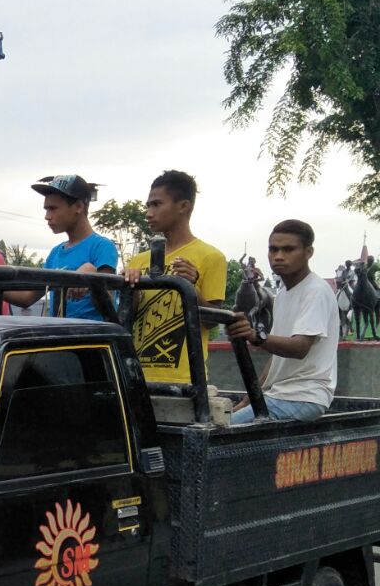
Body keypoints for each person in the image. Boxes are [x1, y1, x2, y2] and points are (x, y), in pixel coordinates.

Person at [228, 221, 339, 423]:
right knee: (222, 421)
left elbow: (299, 348)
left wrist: (255, 336)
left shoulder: (316, 291)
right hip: (282, 395)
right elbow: (278, 361)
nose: (278, 256)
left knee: (223, 433)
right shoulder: (283, 295)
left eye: (288, 249)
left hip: (303, 397)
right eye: (273, 249)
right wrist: (248, 400)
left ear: (308, 252)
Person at [124, 170, 228, 383]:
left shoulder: (211, 256)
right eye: (148, 206)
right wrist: (128, 287)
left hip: (186, 380)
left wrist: (191, 288)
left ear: (183, 206)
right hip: (137, 376)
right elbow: (127, 319)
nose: (149, 213)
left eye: (156, 204)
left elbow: (212, 321)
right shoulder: (138, 261)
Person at [17, 175, 118, 319]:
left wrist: (93, 277)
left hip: (92, 339)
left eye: (53, 209)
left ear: (78, 207)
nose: (47, 216)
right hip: (59, 337)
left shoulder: (102, 246)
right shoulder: (55, 252)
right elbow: (27, 297)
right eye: (46, 209)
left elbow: (108, 306)